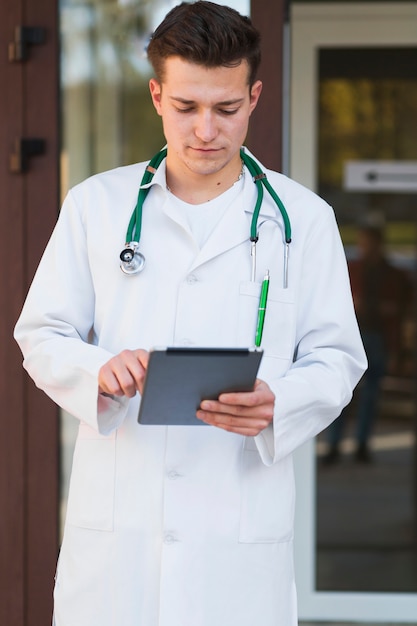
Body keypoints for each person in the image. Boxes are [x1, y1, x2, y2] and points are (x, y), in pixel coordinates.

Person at [14, 2, 366, 625]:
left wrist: (277, 400)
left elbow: (337, 356)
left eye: (226, 109)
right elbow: (42, 332)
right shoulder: (96, 204)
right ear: (156, 96)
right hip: (118, 542)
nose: (206, 130)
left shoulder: (302, 219)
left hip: (237, 542)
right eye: (186, 107)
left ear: (254, 96)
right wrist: (99, 369)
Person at [325, 224, 412, 463]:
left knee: (370, 394)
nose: (364, 247)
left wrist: (398, 350)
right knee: (343, 392)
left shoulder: (392, 275)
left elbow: (402, 313)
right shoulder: (353, 269)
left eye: (368, 242)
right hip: (353, 334)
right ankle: (335, 444)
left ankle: (360, 444)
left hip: (377, 337)